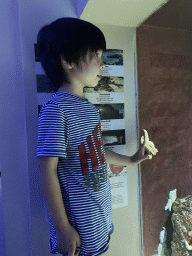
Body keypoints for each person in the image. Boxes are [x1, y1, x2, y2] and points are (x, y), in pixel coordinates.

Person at [36, 17, 150, 256]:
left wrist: (130, 159)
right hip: (75, 237)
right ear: (67, 60)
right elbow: (47, 172)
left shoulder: (87, 108)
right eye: (96, 55)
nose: (102, 64)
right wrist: (62, 228)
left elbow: (94, 151)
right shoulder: (55, 109)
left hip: (98, 223)